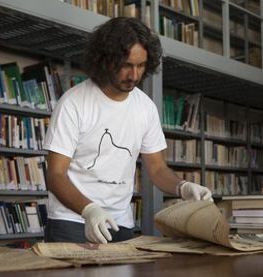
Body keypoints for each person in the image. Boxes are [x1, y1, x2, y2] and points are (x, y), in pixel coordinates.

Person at [43, 17, 213, 244]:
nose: (133, 75)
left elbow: (157, 168)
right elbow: (55, 175)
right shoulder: (74, 103)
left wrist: (182, 187)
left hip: (120, 223)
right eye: (126, 65)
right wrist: (89, 209)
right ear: (105, 60)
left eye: (140, 65)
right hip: (72, 220)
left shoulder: (145, 108)